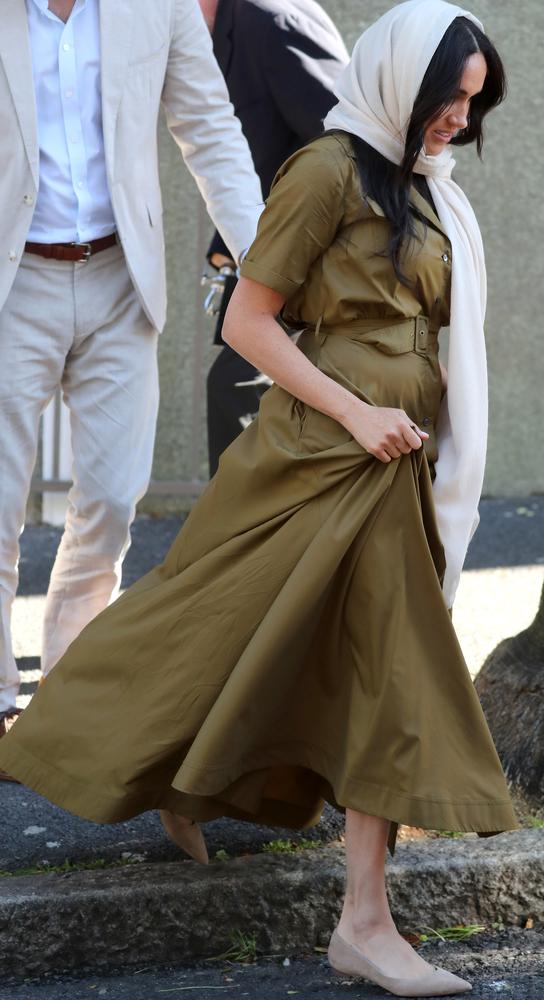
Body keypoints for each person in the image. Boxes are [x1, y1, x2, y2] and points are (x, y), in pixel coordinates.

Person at [0, 1, 517, 994]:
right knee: (254, 637)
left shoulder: (433, 193)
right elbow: (248, 319)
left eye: (470, 105)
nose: (458, 120)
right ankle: (359, 919)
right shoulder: (324, 172)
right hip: (320, 455)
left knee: (328, 655)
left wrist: (424, 443)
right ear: (401, 81)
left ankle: (333, 893)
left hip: (395, 466)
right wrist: (358, 414)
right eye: (448, 100)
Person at [0, 0, 264, 779]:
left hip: (120, 278)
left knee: (113, 498)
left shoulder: (160, 6)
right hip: (15, 282)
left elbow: (211, 130)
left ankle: (71, 696)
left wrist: (266, 264)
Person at [199, 0, 348, 472]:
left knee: (238, 396)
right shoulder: (208, 31)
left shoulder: (273, 22)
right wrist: (228, 250)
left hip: (309, 265)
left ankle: (241, 541)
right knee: (242, 404)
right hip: (263, 260)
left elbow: (351, 144)